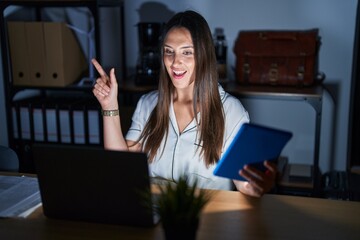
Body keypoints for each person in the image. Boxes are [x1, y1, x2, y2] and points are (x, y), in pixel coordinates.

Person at [92, 10, 277, 197]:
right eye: (169, 52)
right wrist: (110, 108)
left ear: (203, 55)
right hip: (155, 214)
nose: (175, 62)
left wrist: (258, 185)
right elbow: (122, 164)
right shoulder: (147, 104)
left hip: (208, 219)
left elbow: (245, 183)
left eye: (187, 52)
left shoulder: (231, 111)